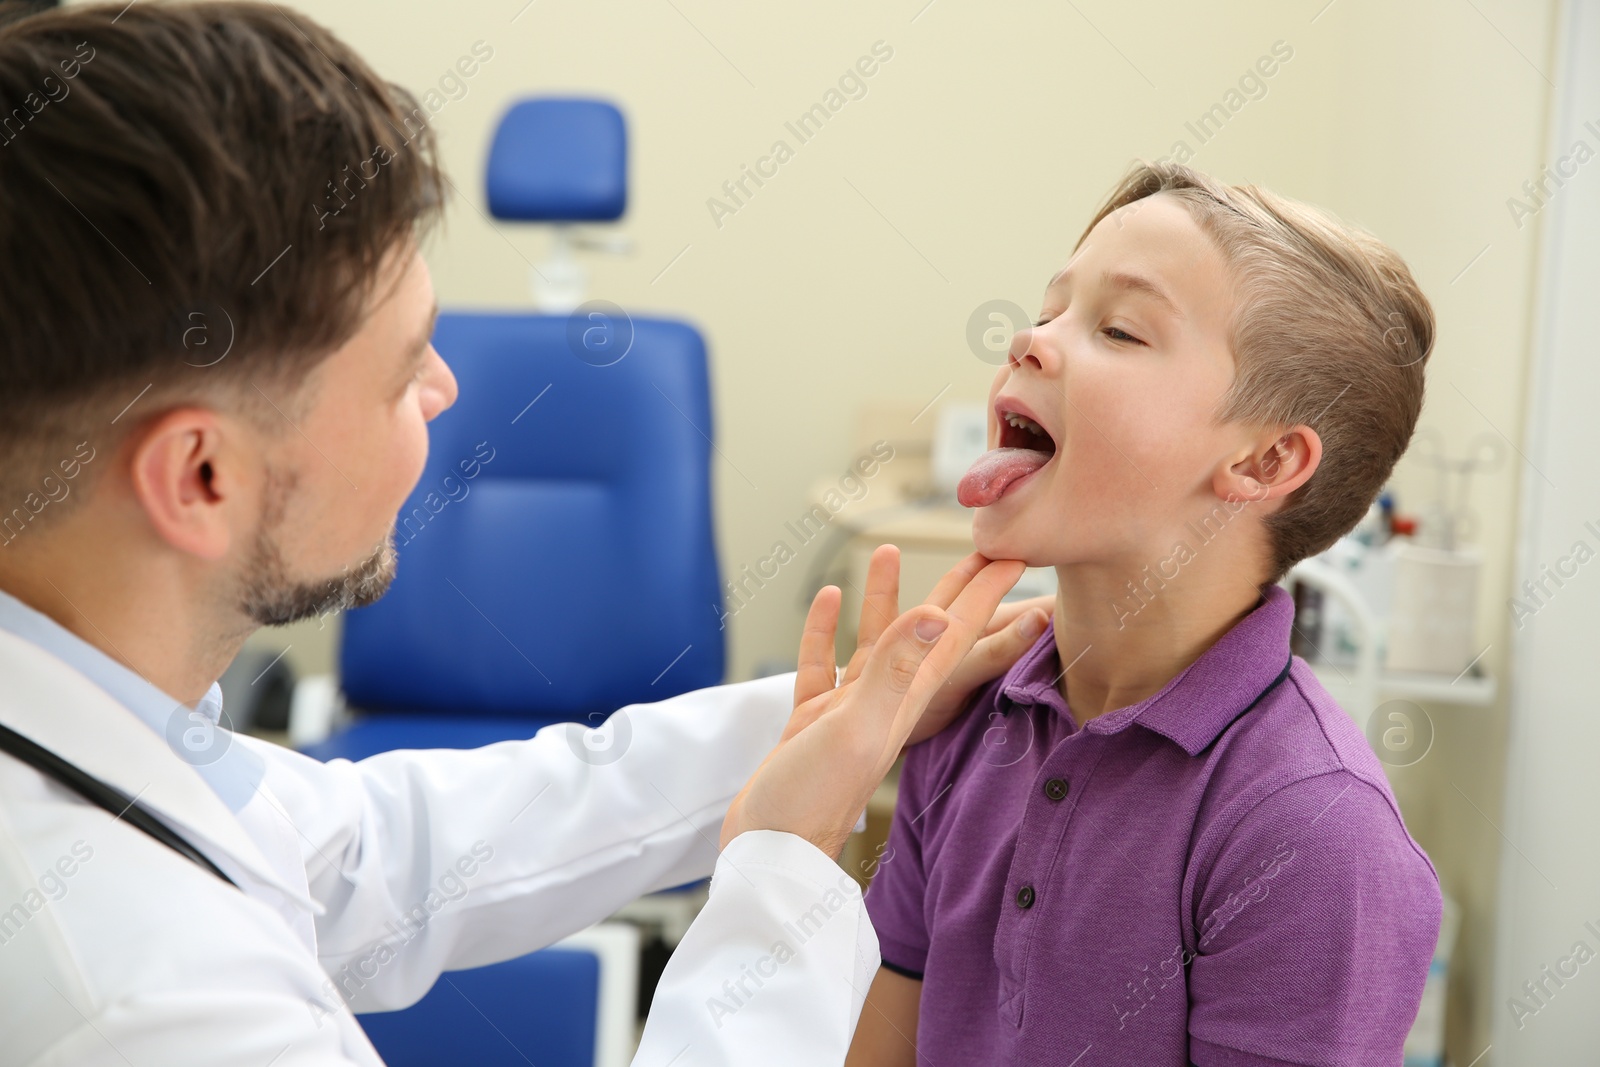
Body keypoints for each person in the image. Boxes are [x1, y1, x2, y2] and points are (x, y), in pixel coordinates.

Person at [0, 4, 1053, 1064]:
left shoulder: (85, 736)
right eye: (405, 367)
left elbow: (391, 849)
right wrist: (778, 868)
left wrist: (832, 716)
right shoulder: (141, 1005)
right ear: (202, 474)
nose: (447, 387)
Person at [845, 164, 1444, 1067]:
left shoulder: (1315, 835)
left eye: (1119, 327)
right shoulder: (966, 719)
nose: (1029, 341)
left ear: (1265, 459)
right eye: (1050, 309)